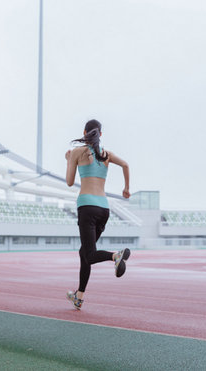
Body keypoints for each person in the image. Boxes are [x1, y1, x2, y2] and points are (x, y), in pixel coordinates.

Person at [64, 119, 130, 310]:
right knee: (84, 253)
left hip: (87, 207)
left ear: (84, 132)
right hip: (104, 209)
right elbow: (125, 165)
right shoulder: (106, 154)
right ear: (100, 134)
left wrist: (69, 161)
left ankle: (115, 256)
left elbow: (69, 182)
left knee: (90, 254)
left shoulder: (77, 152)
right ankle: (79, 296)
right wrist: (126, 188)